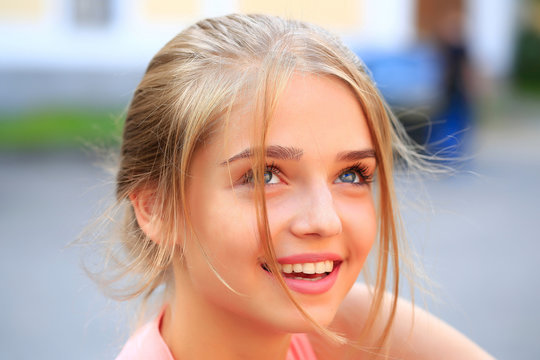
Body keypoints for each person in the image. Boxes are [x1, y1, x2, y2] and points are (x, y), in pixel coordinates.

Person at [96, 13, 493, 359]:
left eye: (351, 174)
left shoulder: (352, 326)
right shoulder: (347, 325)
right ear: (155, 208)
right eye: (265, 175)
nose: (325, 221)